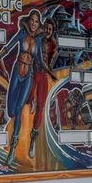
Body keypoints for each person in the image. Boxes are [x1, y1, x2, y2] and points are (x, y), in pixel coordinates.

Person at [0, 9, 43, 164]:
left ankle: (12, 149)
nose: (33, 24)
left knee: (19, 108)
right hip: (16, 72)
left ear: (39, 24)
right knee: (11, 110)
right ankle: (13, 143)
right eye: (32, 20)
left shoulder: (38, 40)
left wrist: (44, 71)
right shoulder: (21, 33)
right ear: (29, 21)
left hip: (29, 76)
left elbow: (39, 59)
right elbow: (9, 46)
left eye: (36, 21)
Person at [29, 18, 58, 158]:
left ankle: (32, 139)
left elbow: (51, 59)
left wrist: (50, 70)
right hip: (33, 73)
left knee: (41, 106)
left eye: (50, 29)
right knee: (28, 99)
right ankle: (31, 100)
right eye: (46, 27)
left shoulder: (53, 44)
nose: (47, 30)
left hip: (44, 76)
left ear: (52, 31)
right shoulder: (37, 39)